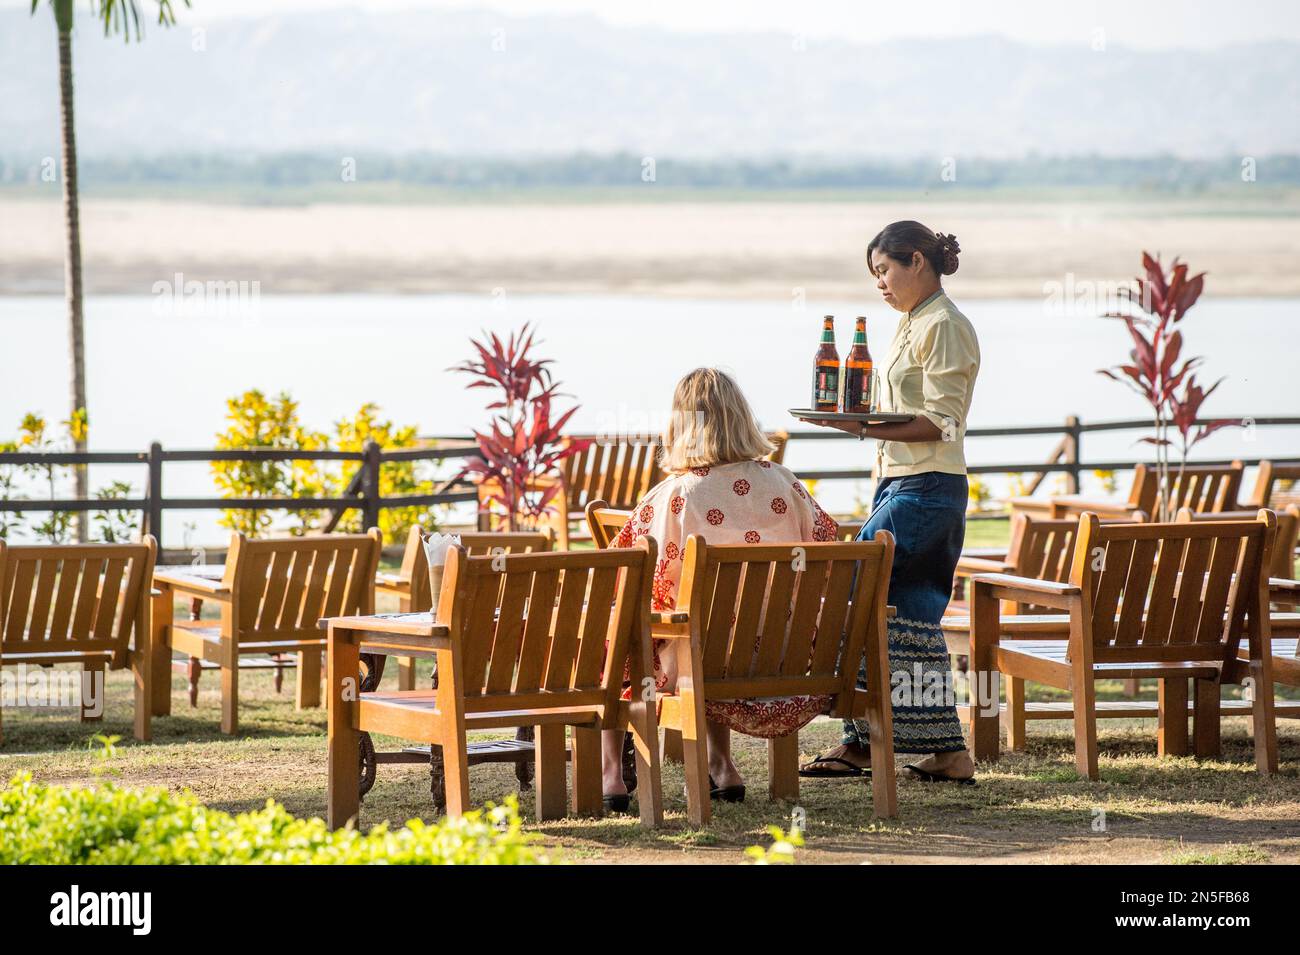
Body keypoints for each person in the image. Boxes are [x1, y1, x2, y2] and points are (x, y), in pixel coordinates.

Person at [603, 367, 839, 810]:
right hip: (785, 661)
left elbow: (629, 576)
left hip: (701, 661)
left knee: (618, 629)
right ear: (741, 418)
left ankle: (611, 774)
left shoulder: (675, 496)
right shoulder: (785, 483)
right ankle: (722, 765)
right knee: (713, 626)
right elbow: (828, 557)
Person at [801, 220, 980, 784]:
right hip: (901, 485)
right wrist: (859, 423)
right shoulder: (911, 322)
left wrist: (859, 428)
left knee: (883, 605)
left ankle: (941, 752)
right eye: (875, 273)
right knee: (885, 614)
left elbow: (942, 422)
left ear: (917, 262)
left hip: (926, 489)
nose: (880, 283)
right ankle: (869, 742)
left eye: (885, 270)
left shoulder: (945, 326)